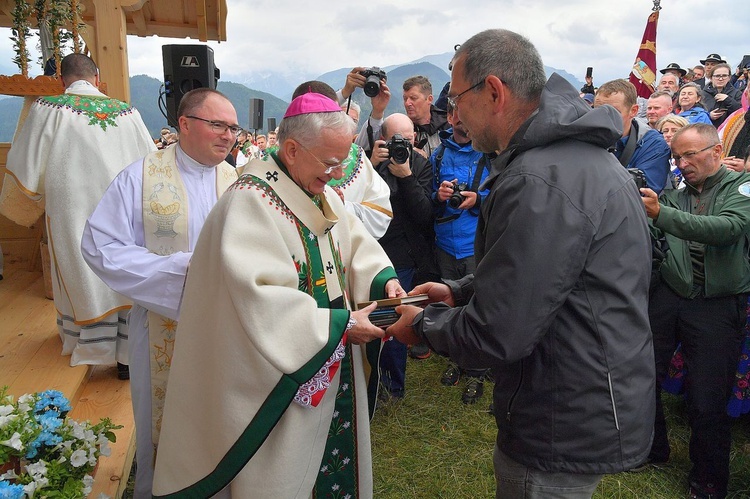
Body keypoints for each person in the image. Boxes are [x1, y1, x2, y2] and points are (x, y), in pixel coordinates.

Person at [388, 29, 654, 498]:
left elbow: (501, 330)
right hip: (577, 390)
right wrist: (461, 291)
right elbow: (545, 274)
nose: (454, 116)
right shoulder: (565, 160)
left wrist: (423, 327)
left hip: (559, 411)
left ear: (493, 91)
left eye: (456, 99)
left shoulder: (543, 178)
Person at [151, 92, 404, 498]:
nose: (337, 174)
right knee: (284, 473)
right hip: (278, 374)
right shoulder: (250, 202)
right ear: (291, 149)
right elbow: (258, 299)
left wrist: (383, 280)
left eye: (342, 162)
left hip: (332, 354)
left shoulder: (315, 187)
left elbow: (353, 243)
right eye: (330, 162)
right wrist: (338, 326)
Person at [81, 87, 239, 498]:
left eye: (233, 127)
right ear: (185, 124)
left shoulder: (237, 180)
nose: (228, 135)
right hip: (163, 326)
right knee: (168, 421)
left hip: (227, 326)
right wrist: (175, 273)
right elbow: (100, 245)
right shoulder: (140, 177)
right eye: (218, 124)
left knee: (220, 417)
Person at [0, 53, 155, 377]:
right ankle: (128, 354)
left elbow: (25, 170)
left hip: (74, 210)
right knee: (124, 272)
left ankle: (91, 347)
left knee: (81, 271)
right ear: (96, 78)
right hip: (125, 213)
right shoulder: (129, 112)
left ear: (62, 81)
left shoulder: (48, 109)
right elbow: (152, 165)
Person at [639, 123, 750, 499]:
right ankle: (652, 448)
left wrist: (660, 215)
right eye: (677, 157)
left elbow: (728, 229)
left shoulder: (741, 189)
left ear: (717, 152)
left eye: (690, 154)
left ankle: (708, 479)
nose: (682, 163)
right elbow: (656, 235)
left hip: (718, 306)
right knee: (643, 375)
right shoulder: (676, 195)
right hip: (672, 295)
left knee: (707, 397)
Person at [368, 112, 435, 400]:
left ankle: (394, 386)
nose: (403, 147)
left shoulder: (420, 165)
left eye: (408, 140)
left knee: (396, 319)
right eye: (396, 140)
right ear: (382, 140)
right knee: (370, 317)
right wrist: (370, 165)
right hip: (371, 252)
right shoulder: (371, 165)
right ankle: (370, 380)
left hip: (403, 254)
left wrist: (407, 176)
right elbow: (353, 200)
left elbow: (424, 215)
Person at [429, 100, 492, 404]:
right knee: (451, 305)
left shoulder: (488, 153)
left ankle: (477, 372)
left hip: (474, 245)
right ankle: (456, 358)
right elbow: (428, 192)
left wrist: (477, 199)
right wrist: (438, 195)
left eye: (468, 116)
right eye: (457, 115)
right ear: (451, 117)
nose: (461, 122)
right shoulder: (439, 153)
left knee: (478, 308)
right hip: (445, 244)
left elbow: (502, 192)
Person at [283, 80, 392, 240]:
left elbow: (380, 214)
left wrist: (342, 207)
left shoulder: (357, 157)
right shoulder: (268, 171)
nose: (338, 174)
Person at [594, 79, 671, 193]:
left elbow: (642, 194)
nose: (603, 117)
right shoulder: (584, 138)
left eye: (613, 112)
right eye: (598, 111)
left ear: (633, 111)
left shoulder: (653, 144)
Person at [402, 76, 450, 158]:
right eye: (405, 99)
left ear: (429, 99)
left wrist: (424, 162)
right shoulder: (401, 130)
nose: (407, 103)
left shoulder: (448, 127)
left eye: (413, 98)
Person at [703, 62, 743, 128]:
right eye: (717, 76)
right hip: (706, 131)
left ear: (729, 77)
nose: (721, 79)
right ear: (711, 77)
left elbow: (741, 113)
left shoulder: (737, 93)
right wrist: (708, 115)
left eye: (724, 76)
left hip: (728, 131)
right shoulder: (702, 94)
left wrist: (728, 100)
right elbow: (696, 113)